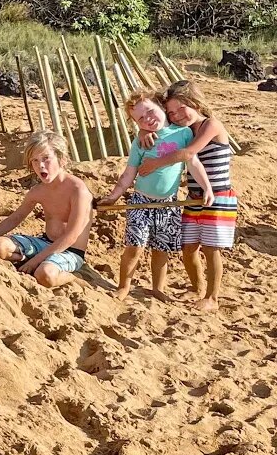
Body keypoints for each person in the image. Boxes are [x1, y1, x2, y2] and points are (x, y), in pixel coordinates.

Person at [132, 80, 236, 311]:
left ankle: (212, 297)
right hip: (193, 197)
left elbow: (188, 153)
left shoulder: (211, 125)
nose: (177, 115)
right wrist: (142, 130)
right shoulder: (185, 130)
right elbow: (161, 127)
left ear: (195, 103)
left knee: (211, 249)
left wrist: (155, 164)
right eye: (171, 112)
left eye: (182, 108)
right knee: (188, 248)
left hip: (218, 195)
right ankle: (197, 287)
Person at [98, 92, 213, 302]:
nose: (148, 119)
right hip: (141, 201)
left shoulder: (184, 133)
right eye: (141, 119)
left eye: (150, 111)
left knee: (161, 250)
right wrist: (114, 196)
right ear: (136, 124)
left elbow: (193, 163)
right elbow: (128, 173)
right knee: (134, 247)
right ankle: (124, 286)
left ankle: (158, 289)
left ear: (161, 107)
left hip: (169, 203)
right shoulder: (141, 142)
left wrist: (207, 188)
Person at [0, 131, 93, 288]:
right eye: (35, 160)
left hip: (70, 251)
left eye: (46, 159)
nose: (40, 165)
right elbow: (15, 218)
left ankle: (71, 278)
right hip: (45, 243)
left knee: (44, 275)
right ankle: (35, 261)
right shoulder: (38, 191)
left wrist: (34, 262)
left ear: (62, 160)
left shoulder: (78, 190)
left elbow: (71, 236)